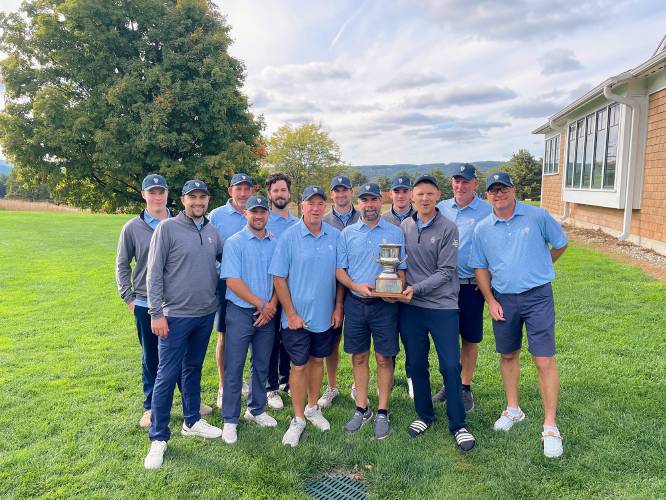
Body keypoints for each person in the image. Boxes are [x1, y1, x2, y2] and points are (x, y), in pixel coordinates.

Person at [469, 172, 568, 459]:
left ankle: (550, 425)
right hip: (503, 299)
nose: (498, 194)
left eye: (503, 189)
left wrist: (543, 265)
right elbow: (480, 267)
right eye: (493, 191)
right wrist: (490, 300)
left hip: (538, 296)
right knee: (508, 355)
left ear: (514, 190)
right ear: (486, 195)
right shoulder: (483, 228)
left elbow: (560, 243)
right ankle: (514, 409)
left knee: (543, 358)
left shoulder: (537, 216)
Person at [116, 174, 212, 429]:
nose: (157, 197)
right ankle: (151, 407)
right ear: (144, 195)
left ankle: (190, 404)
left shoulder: (181, 222)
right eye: (152, 192)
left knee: (181, 357)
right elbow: (122, 265)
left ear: (169, 195)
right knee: (152, 358)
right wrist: (129, 297)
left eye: (161, 192)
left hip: (178, 304)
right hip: (147, 303)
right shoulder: (132, 228)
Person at [143, 180, 225, 469]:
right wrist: (156, 313)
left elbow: (224, 263)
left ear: (208, 200)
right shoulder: (168, 229)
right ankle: (158, 437)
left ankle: (191, 420)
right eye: (193, 197)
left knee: (192, 369)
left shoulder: (213, 232)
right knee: (166, 375)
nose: (198, 202)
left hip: (204, 315)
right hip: (174, 316)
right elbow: (153, 274)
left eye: (203, 197)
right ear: (183, 199)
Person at [399, 174, 476, 452]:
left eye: (430, 194)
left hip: (442, 307)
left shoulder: (448, 227)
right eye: (419, 194)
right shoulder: (405, 226)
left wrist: (414, 288)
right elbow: (398, 264)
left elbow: (446, 272)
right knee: (416, 364)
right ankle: (424, 414)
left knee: (450, 366)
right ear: (412, 197)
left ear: (437, 196)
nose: (424, 199)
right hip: (412, 309)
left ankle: (458, 423)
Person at [269, 186, 344, 447]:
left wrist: (338, 307)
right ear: (301, 207)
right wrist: (290, 313)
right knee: (298, 366)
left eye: (319, 203)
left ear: (324, 207)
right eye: (310, 203)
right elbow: (279, 277)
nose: (315, 208)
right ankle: (298, 418)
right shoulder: (289, 237)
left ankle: (313, 408)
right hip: (296, 319)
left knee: (316, 362)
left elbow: (340, 275)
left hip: (324, 316)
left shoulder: (335, 236)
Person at [336, 183, 406, 440]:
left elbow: (402, 269)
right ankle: (361, 407)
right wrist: (355, 286)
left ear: (381, 201)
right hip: (356, 303)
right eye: (364, 200)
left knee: (385, 358)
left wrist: (394, 291)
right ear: (358, 202)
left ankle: (383, 411)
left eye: (373, 200)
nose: (369, 205)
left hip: (384, 306)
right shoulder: (348, 233)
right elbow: (339, 270)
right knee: (358, 357)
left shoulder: (395, 232)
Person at [220, 195, 280, 444]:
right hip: (241, 311)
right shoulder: (235, 243)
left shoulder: (275, 242)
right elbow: (232, 280)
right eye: (254, 211)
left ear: (268, 214)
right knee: (234, 366)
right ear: (246, 214)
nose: (258, 216)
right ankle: (230, 420)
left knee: (262, 364)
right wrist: (261, 304)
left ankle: (256, 409)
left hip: (268, 313)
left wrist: (272, 305)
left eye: (262, 212)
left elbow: (280, 277)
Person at [434, 164, 492, 411]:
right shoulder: (442, 208)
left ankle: (465, 387)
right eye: (457, 181)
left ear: (475, 184)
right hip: (443, 286)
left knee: (469, 338)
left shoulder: (487, 210)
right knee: (447, 338)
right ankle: (450, 384)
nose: (460, 186)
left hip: (471, 285)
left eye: (466, 181)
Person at [209, 173, 256, 409]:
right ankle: (223, 385)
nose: (244, 194)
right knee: (225, 335)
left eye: (248, 189)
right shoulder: (217, 216)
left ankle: (244, 381)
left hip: (256, 285)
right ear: (230, 191)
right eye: (239, 189)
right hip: (226, 283)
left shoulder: (258, 213)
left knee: (251, 335)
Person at [319, 175, 359, 408]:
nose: (341, 194)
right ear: (331, 194)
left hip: (357, 290)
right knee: (331, 341)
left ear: (351, 192)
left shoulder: (363, 216)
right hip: (330, 290)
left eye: (345, 190)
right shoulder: (323, 221)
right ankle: (332, 386)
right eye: (337, 191)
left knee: (357, 343)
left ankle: (357, 384)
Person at [265, 173, 299, 410]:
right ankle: (270, 387)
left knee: (288, 337)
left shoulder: (298, 223)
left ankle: (286, 379)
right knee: (269, 339)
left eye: (283, 190)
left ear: (289, 194)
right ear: (270, 194)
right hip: (266, 291)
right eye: (275, 190)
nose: (279, 194)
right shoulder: (262, 220)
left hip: (290, 290)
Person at [381, 175, 416, 399]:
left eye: (405, 191)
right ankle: (389, 376)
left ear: (411, 193)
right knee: (389, 335)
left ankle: (413, 377)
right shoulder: (382, 219)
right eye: (397, 191)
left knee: (413, 337)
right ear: (391, 194)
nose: (401, 196)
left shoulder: (421, 214)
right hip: (388, 290)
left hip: (415, 287)